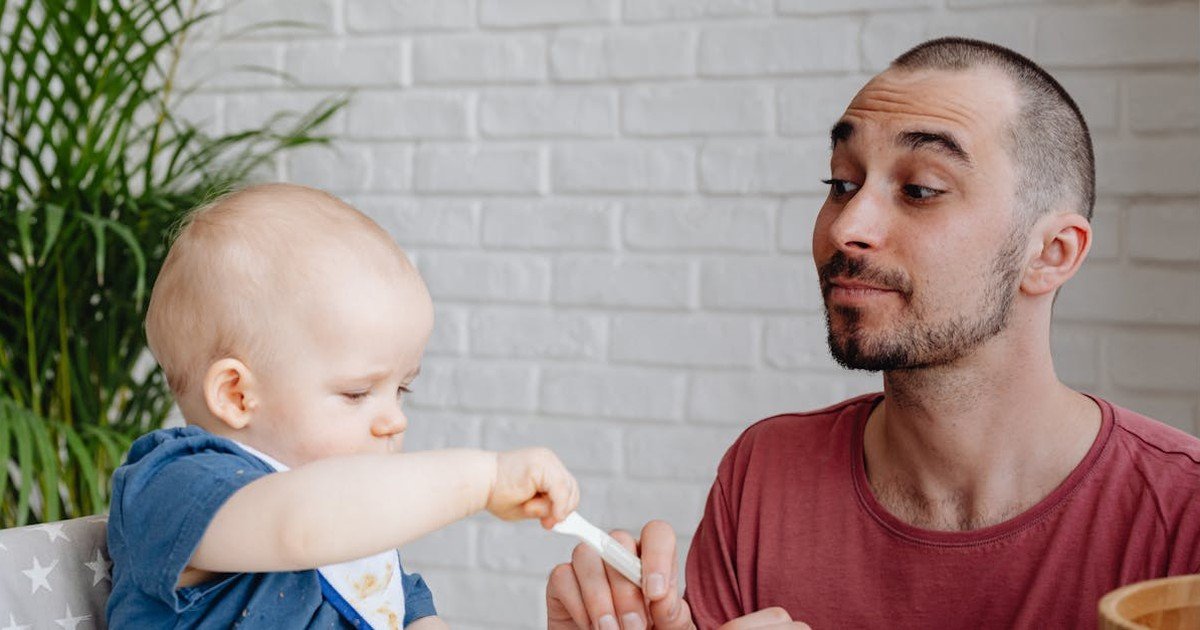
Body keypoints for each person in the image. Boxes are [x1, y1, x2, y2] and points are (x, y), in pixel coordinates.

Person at [546, 37, 1200, 630]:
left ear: (1051, 253)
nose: (845, 227)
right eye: (841, 182)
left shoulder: (1183, 511)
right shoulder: (764, 474)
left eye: (920, 189)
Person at [106, 183, 581, 628]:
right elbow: (299, 525)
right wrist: (484, 478)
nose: (395, 419)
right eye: (357, 393)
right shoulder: (175, 487)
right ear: (237, 395)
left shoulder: (358, 547)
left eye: (402, 390)